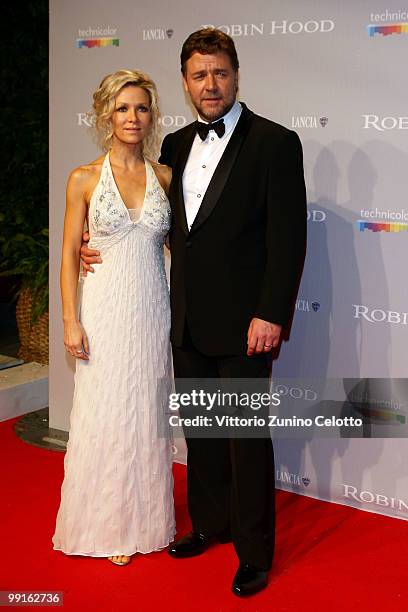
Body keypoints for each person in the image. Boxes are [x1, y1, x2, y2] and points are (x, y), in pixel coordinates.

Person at [83, 28, 307, 596]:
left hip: (245, 325)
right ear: (186, 83)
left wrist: (270, 314)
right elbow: (157, 228)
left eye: (220, 73)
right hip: (181, 318)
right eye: (199, 75)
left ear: (236, 75)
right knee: (204, 434)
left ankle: (254, 552)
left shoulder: (275, 144)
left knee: (246, 437)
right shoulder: (176, 149)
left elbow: (288, 242)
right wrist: (96, 248)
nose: (211, 84)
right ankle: (211, 524)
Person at [53, 69, 175, 566]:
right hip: (102, 311)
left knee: (145, 412)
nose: (133, 117)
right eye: (123, 108)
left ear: (152, 116)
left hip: (151, 309)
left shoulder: (165, 177)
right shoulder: (83, 177)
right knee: (103, 414)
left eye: (141, 108)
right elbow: (66, 254)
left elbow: (178, 248)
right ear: (106, 114)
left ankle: (144, 521)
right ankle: (104, 523)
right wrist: (69, 319)